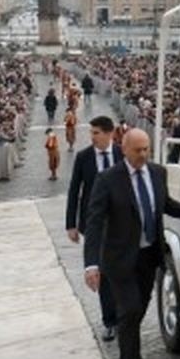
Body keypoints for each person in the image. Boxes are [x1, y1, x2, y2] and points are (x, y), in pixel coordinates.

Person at [83, 128, 180, 359]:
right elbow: (95, 221)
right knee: (130, 310)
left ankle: (128, 343)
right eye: (138, 150)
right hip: (120, 260)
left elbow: (165, 204)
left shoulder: (158, 173)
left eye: (146, 148)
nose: (143, 154)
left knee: (137, 310)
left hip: (149, 257)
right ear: (123, 149)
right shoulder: (108, 180)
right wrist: (91, 265)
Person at [66, 115, 123, 341]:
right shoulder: (84, 157)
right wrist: (70, 223)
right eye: (91, 133)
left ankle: (123, 315)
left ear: (109, 133)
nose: (92, 137)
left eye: (96, 133)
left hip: (120, 221)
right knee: (103, 273)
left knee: (122, 269)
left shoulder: (121, 153)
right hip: (94, 223)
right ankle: (109, 321)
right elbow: (74, 190)